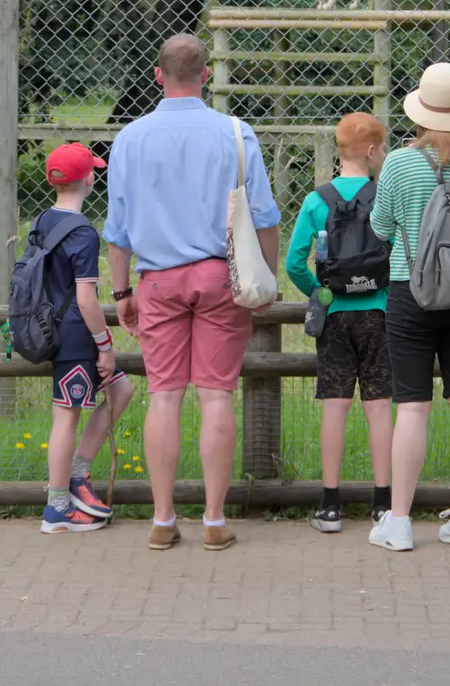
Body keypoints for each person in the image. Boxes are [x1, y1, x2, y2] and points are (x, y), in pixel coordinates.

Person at [105, 34, 280, 552]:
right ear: (206, 75)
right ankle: (214, 519)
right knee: (216, 394)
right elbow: (265, 217)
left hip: (156, 280)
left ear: (158, 76)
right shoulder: (235, 132)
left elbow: (117, 229)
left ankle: (162, 518)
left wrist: (121, 291)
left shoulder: (130, 138)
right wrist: (265, 277)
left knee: (164, 395)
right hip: (219, 277)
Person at [367, 62, 450, 552]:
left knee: (413, 408)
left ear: (421, 111)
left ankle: (399, 521)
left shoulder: (401, 165)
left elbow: (381, 229)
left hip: (411, 293)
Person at [285, 112, 393, 532]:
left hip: (334, 317)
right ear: (370, 151)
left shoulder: (317, 200)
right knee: (379, 405)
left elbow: (294, 262)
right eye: (382, 147)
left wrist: (320, 291)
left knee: (335, 405)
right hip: (378, 312)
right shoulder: (383, 196)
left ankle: (330, 505)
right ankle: (383, 502)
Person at [33, 143, 137, 533]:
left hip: (51, 329)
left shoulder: (43, 221)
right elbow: (86, 299)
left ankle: (77, 477)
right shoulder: (83, 234)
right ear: (90, 179)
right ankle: (57, 508)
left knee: (121, 391)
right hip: (76, 339)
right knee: (66, 417)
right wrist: (105, 346)